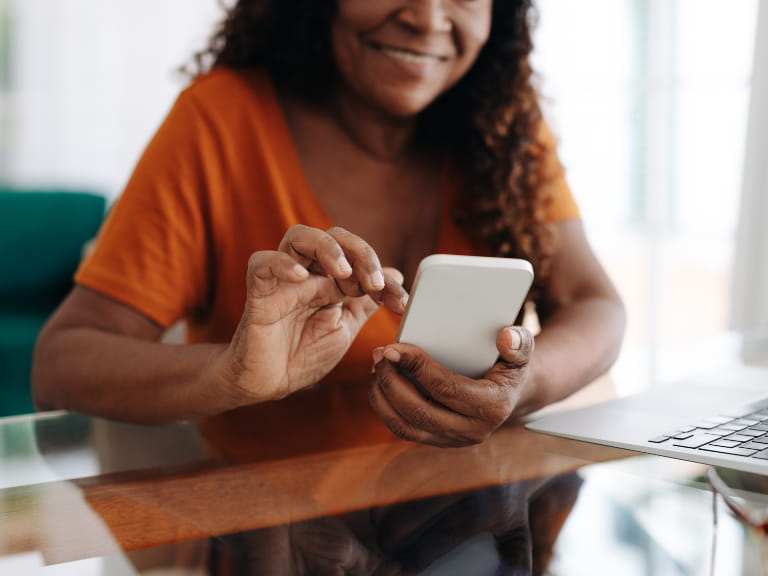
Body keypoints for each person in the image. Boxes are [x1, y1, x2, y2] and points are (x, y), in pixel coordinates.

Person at [32, 0, 625, 458]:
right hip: (264, 536)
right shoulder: (221, 120)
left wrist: (526, 384)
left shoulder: (504, 127)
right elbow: (62, 362)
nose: (427, 18)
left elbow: (596, 304)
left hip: (469, 525)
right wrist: (231, 372)